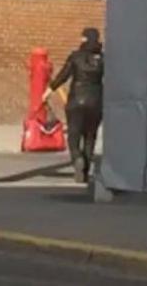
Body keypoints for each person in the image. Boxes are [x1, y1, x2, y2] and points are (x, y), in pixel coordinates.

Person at [46, 26, 104, 184]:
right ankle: (85, 171)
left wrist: (49, 90)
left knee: (74, 133)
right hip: (96, 101)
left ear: (84, 39)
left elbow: (63, 75)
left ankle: (77, 158)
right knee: (90, 136)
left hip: (76, 101)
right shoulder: (103, 59)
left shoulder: (75, 56)